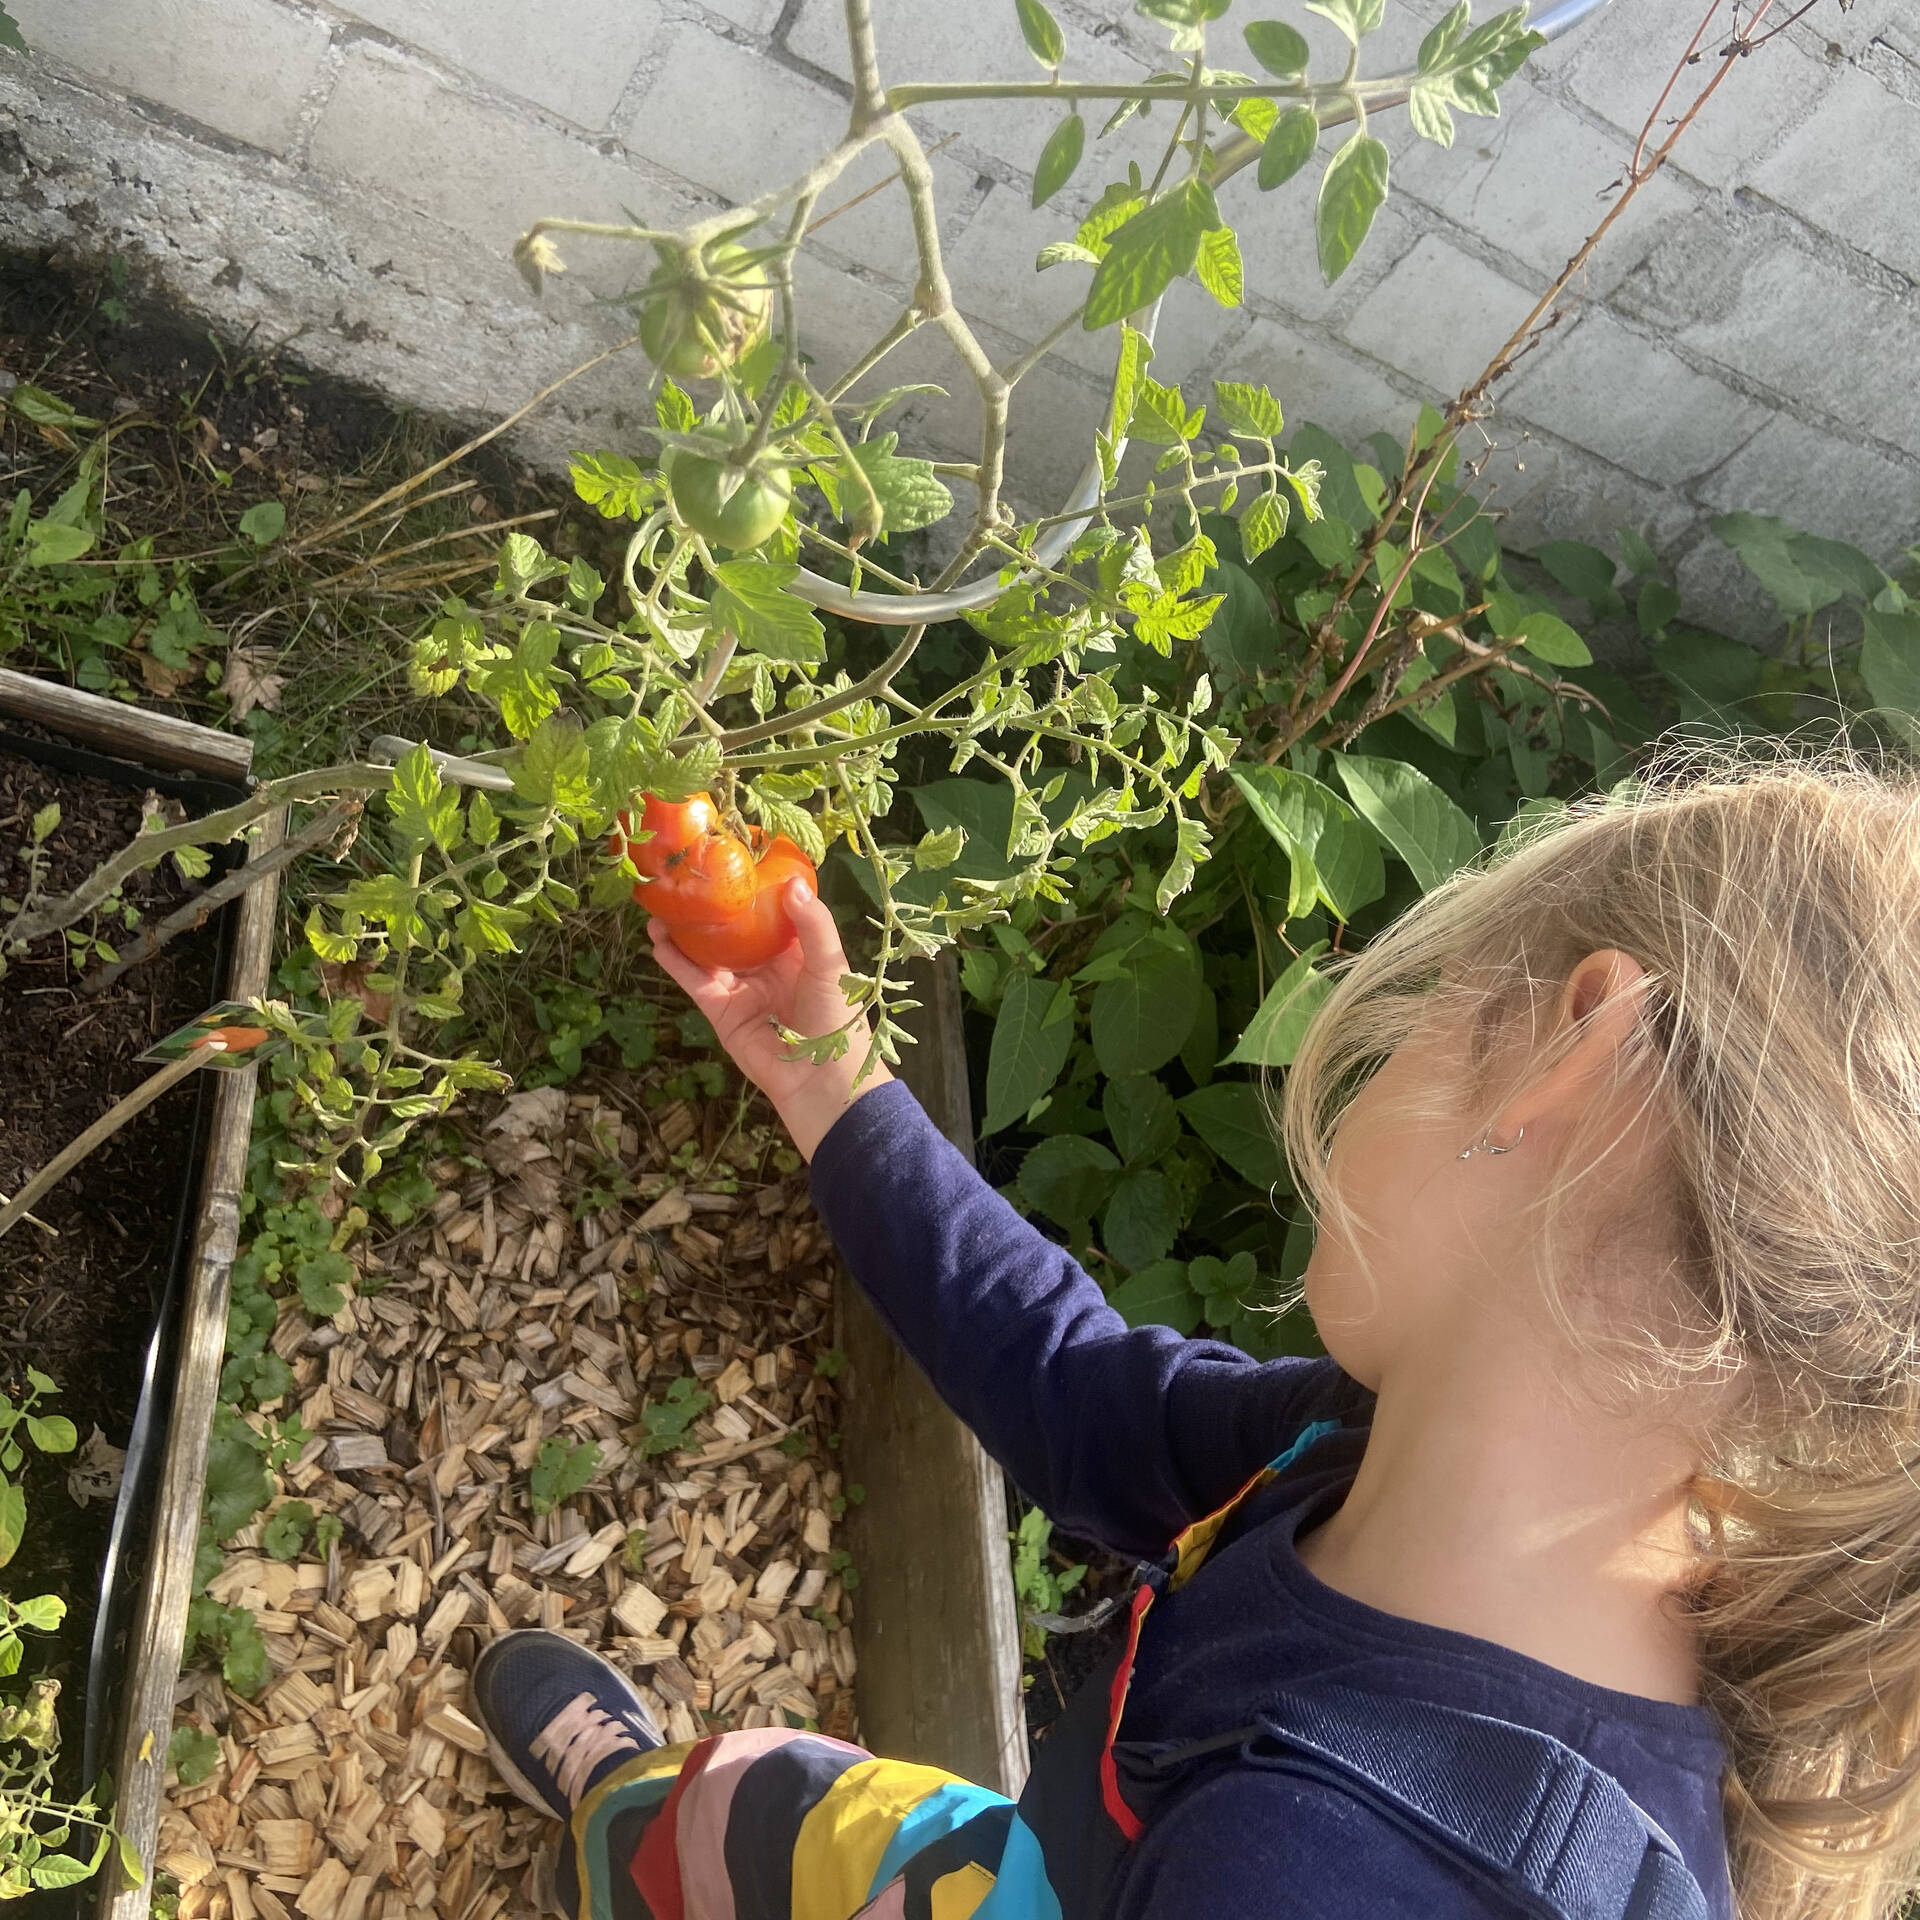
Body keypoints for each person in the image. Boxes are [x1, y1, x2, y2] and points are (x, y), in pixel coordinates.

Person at [469, 756, 1920, 1920]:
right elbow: (1090, 1397)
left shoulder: (1315, 1873)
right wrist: (832, 1079)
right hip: (1040, 1859)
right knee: (751, 1807)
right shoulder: (1382, 1449)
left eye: (1428, 998)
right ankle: (624, 1818)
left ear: (1571, 1048)